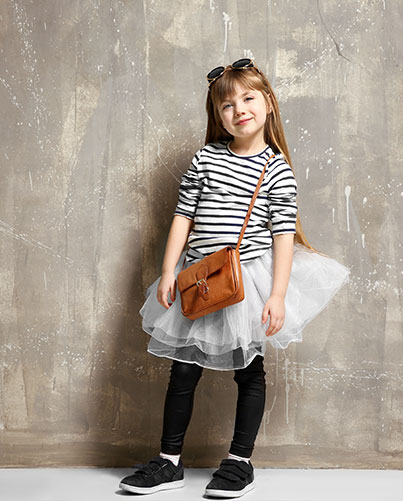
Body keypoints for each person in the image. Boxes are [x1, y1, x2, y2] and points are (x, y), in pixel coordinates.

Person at [119, 58, 350, 498]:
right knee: (183, 369)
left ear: (267, 102)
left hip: (246, 282)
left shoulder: (276, 168)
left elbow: (283, 236)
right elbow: (183, 215)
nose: (238, 109)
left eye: (247, 98)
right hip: (199, 276)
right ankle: (169, 462)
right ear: (216, 114)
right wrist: (170, 270)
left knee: (249, 370)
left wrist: (277, 295)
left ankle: (239, 462)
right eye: (227, 105)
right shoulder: (206, 157)